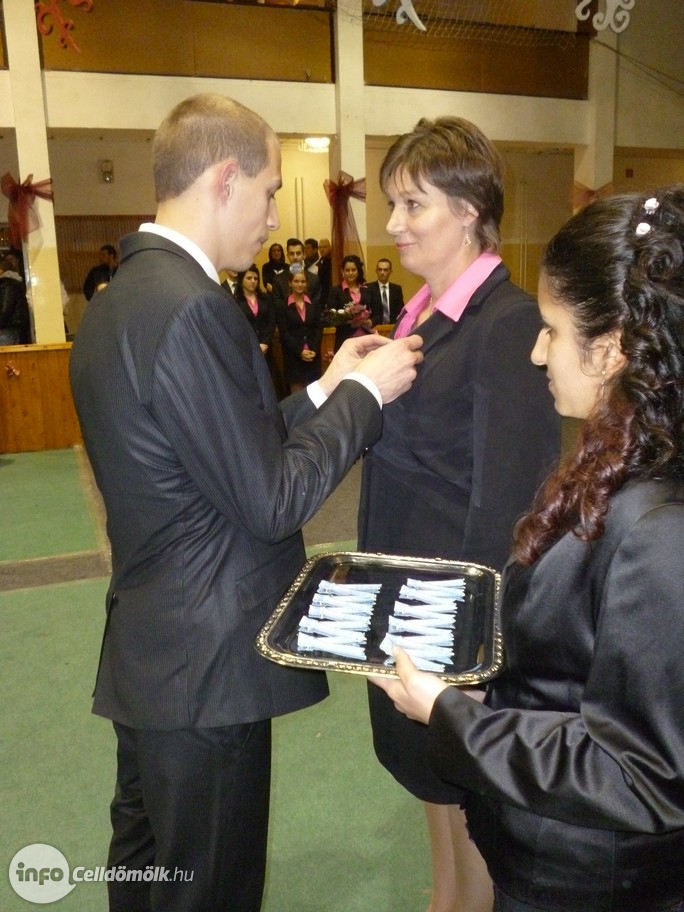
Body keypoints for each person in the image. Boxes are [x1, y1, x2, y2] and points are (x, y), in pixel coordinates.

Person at [69, 92, 423, 912]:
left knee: (147, 876)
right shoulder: (196, 308)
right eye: (268, 193)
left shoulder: (122, 299)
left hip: (156, 654)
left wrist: (325, 389)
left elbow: (212, 455)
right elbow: (270, 499)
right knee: (208, 891)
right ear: (225, 179)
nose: (271, 219)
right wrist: (364, 399)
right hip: (209, 666)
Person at [372, 186, 684, 912]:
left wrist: (455, 717)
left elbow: (641, 775)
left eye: (551, 330)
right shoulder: (620, 459)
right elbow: (582, 677)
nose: (537, 350)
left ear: (612, 348)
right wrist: (490, 694)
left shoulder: (656, 528)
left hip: (590, 880)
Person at [358, 116, 561, 912]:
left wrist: (471, 656)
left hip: (450, 619)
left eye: (413, 205)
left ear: (469, 210)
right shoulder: (421, 319)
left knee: (472, 815)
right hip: (405, 601)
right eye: (394, 204)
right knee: (434, 794)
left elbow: (509, 504)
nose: (393, 224)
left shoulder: (506, 325)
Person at [276, 267, 322, 393]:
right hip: (294, 358)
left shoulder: (314, 304)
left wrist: (313, 350)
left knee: (315, 397)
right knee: (297, 399)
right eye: (296, 281)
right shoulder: (282, 306)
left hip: (313, 357)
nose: (300, 284)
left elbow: (318, 329)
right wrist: (300, 350)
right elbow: (284, 333)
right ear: (290, 283)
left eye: (303, 281)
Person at [325, 253, 373, 351]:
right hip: (345, 338)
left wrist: (370, 322)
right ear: (342, 271)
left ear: (358, 271)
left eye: (353, 270)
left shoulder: (368, 289)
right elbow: (330, 317)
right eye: (347, 270)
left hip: (367, 337)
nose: (350, 273)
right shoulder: (336, 291)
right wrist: (348, 319)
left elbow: (378, 314)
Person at [234, 263, 276, 356]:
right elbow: (237, 326)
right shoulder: (235, 301)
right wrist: (254, 346)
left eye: (256, 278)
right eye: (249, 278)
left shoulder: (266, 298)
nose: (253, 281)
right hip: (247, 348)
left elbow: (271, 322)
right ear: (241, 280)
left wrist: (265, 343)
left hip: (266, 347)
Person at [271, 236, 321, 308]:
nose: (295, 257)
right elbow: (277, 305)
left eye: (298, 253)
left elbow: (316, 306)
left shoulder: (314, 279)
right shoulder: (278, 279)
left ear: (303, 255)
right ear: (288, 256)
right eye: (292, 254)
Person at [0, 254, 31, 344]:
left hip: (6, 330)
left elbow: (5, 310)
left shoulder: (6, 285)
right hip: (11, 329)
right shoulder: (12, 283)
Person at [366, 257, 404, 325]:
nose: (382, 272)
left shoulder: (396, 289)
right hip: (374, 326)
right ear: (376, 271)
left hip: (392, 326)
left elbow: (400, 311)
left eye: (385, 270)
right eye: (380, 269)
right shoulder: (368, 288)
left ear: (390, 271)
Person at [317, 236, 332, 301]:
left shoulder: (334, 262)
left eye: (325, 247)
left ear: (330, 247)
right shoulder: (321, 261)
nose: (322, 249)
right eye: (320, 247)